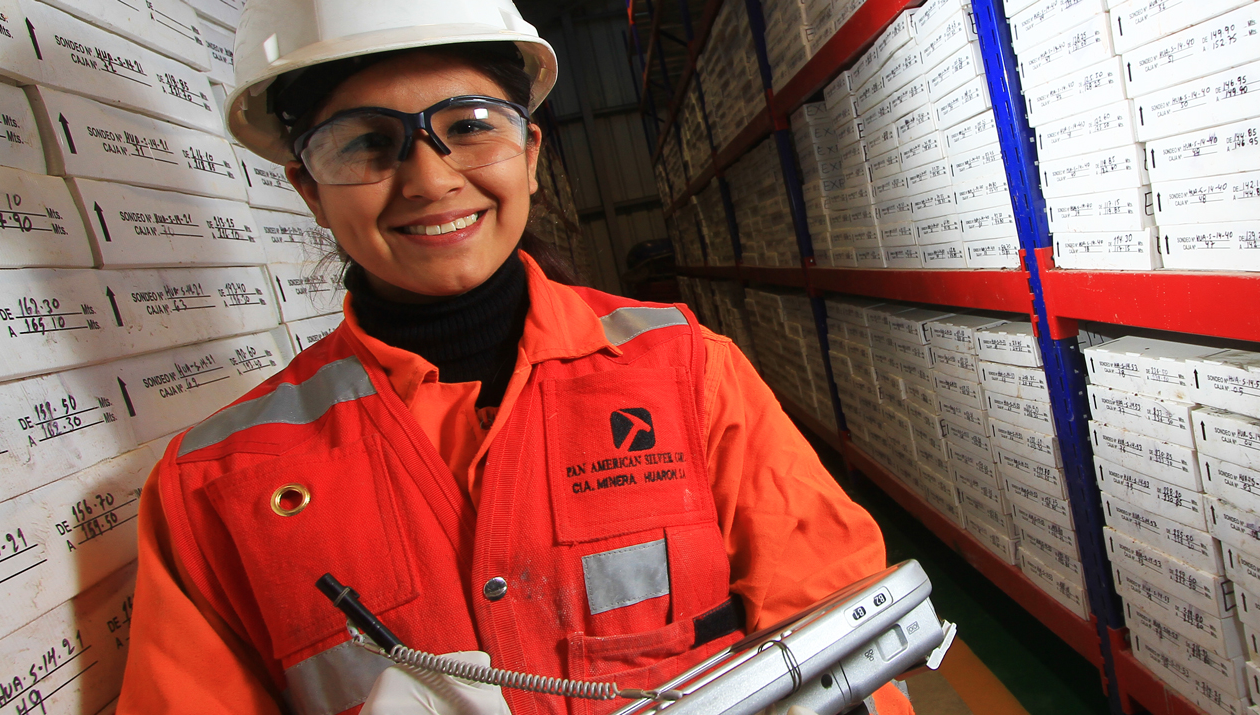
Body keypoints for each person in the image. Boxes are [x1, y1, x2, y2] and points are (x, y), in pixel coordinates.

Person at [114, 1, 912, 713]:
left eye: (467, 125)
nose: (429, 179)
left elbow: (846, 637)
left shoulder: (687, 371)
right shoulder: (215, 483)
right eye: (365, 143)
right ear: (310, 191)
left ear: (529, 151)